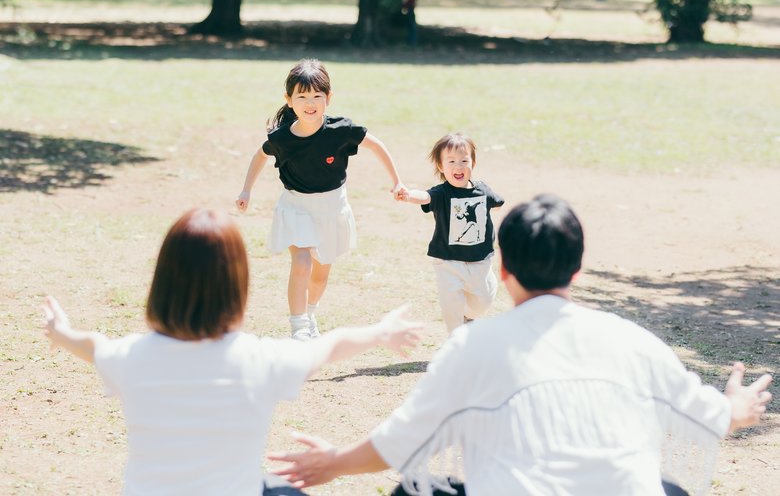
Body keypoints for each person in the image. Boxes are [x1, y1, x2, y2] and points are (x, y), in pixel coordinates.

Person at [268, 194, 773, 496]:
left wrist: (332, 463)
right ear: (576, 269)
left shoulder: (475, 344)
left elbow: (403, 439)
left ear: (503, 269)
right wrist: (738, 404)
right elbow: (710, 414)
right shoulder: (629, 339)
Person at [41, 208, 422, 496]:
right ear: (237, 286)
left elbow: (91, 345)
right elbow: (331, 344)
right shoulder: (260, 359)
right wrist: (380, 332)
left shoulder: (130, 357)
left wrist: (60, 332)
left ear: (163, 282)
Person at [236, 58, 407, 341]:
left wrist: (396, 181)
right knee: (301, 262)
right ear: (289, 100)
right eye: (301, 96)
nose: (310, 102)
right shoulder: (282, 138)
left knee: (320, 273)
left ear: (329, 97)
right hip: (295, 206)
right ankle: (298, 326)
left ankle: (311, 312)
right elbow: (260, 155)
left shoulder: (341, 130)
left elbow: (376, 145)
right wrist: (246, 190)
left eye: (317, 95)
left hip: (332, 207)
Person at [398, 132, 504, 333]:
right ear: (441, 166)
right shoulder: (442, 193)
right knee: (450, 302)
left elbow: (497, 202)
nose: (459, 166)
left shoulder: (482, 190)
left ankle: (469, 316)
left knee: (483, 301)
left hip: (479, 258)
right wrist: (408, 195)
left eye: (464, 160)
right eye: (452, 161)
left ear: (473, 163)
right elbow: (425, 197)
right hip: (447, 260)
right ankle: (456, 340)